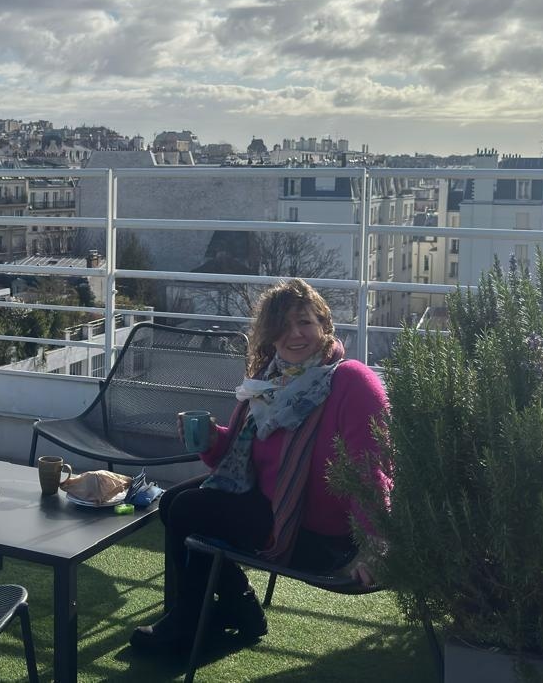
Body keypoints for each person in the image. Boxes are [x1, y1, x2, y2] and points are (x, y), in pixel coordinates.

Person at [129, 278, 391, 655]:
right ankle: (235, 608)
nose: (295, 335)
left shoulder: (350, 381)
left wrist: (376, 544)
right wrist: (211, 441)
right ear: (269, 335)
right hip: (269, 504)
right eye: (282, 327)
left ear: (324, 325)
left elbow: (374, 466)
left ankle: (192, 620)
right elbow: (242, 460)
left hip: (318, 534)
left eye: (304, 323)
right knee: (173, 501)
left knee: (189, 509)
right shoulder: (270, 380)